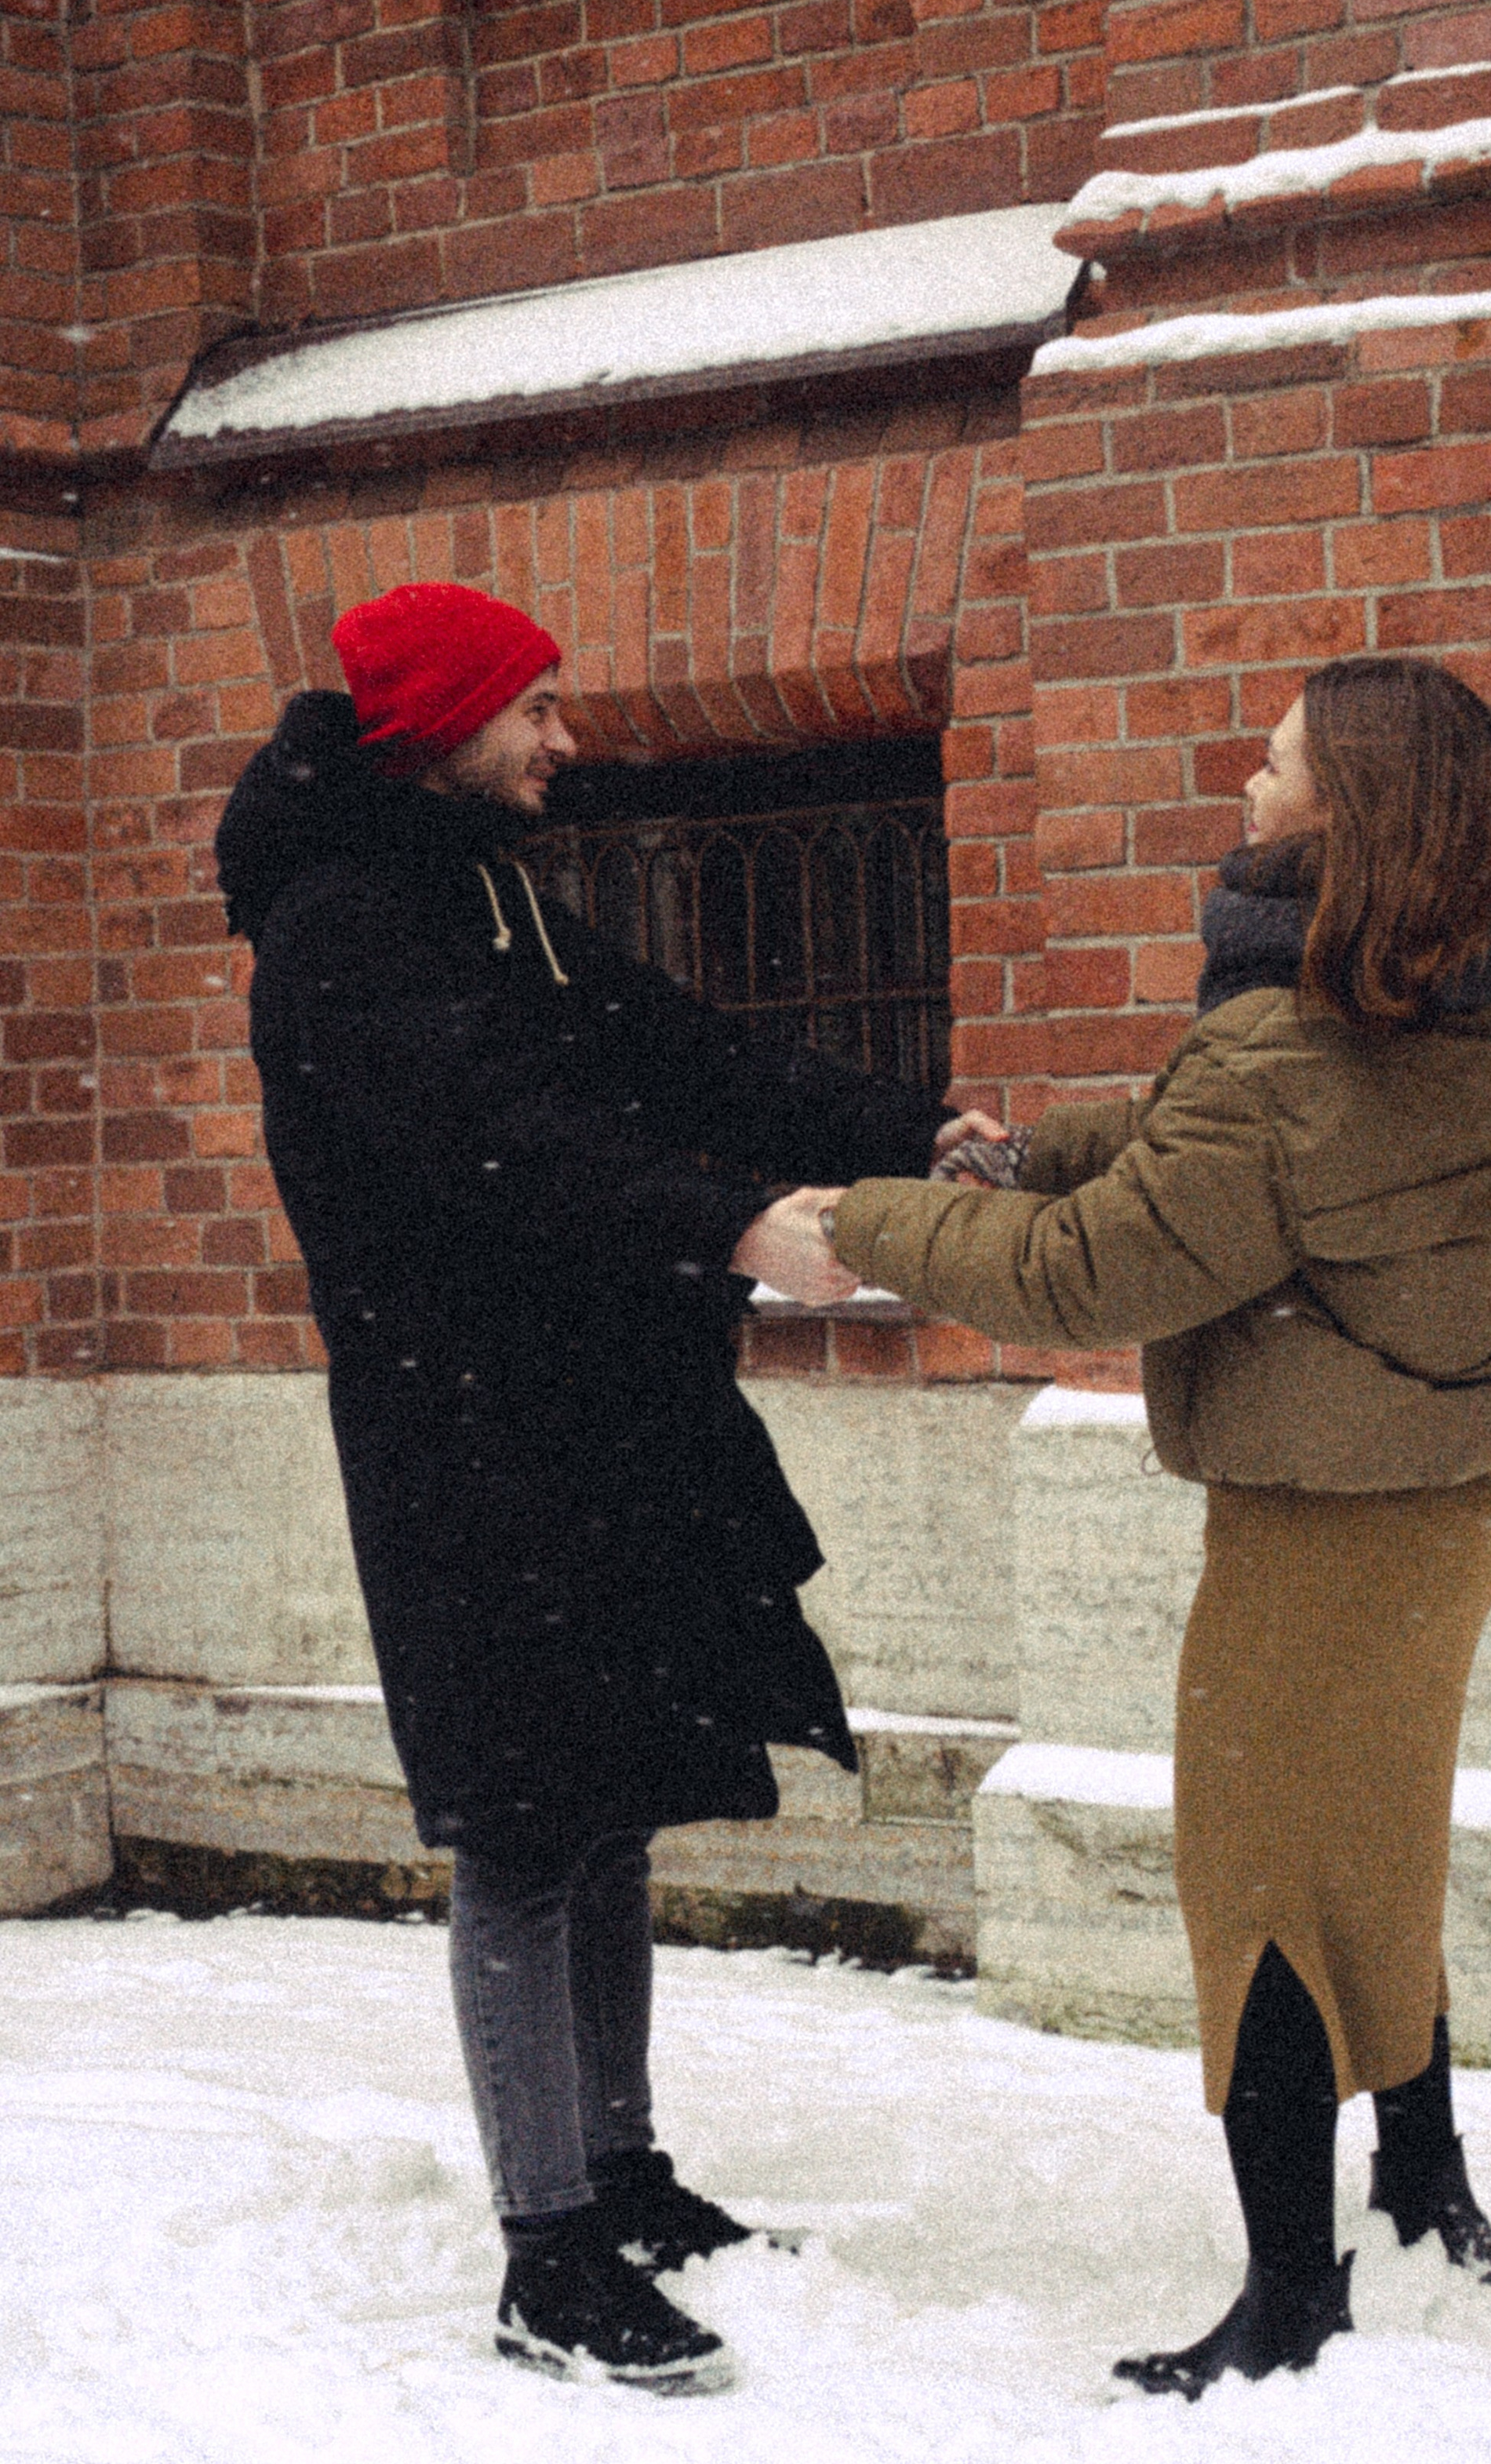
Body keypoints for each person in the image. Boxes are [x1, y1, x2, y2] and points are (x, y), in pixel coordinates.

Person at [816, 656, 1491, 2401]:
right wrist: (1039, 1145)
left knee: (1262, 1887)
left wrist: (871, 1222)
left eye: (1269, 765)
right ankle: (1423, 2191)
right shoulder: (1473, 1002)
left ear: (1342, 807)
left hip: (1317, 1524)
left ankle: (1289, 2298)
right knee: (1379, 1854)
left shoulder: (1291, 1045)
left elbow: (1090, 1269)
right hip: (1439, 1503)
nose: (1242, 786)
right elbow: (1233, 1136)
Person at [213, 583, 998, 2393]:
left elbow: (666, 1045)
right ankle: (544, 2254)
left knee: (609, 1790)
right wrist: (729, 1223)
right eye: (539, 710)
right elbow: (505, 1139)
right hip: (464, 1426)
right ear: (447, 723)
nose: (567, 741)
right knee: (518, 1817)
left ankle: (621, 2174)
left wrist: (897, 1127)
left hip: (584, 1397)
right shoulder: (343, 924)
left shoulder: (475, 884)